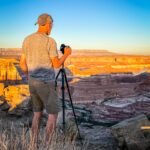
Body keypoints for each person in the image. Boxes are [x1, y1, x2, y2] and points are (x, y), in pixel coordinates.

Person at [20, 13, 72, 147]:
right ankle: (47, 146)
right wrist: (66, 54)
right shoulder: (50, 41)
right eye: (51, 25)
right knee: (52, 115)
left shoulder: (27, 39)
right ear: (49, 24)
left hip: (32, 82)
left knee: (37, 114)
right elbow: (56, 64)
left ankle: (33, 143)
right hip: (46, 83)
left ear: (38, 24)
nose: (52, 27)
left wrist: (29, 76)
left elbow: (22, 64)